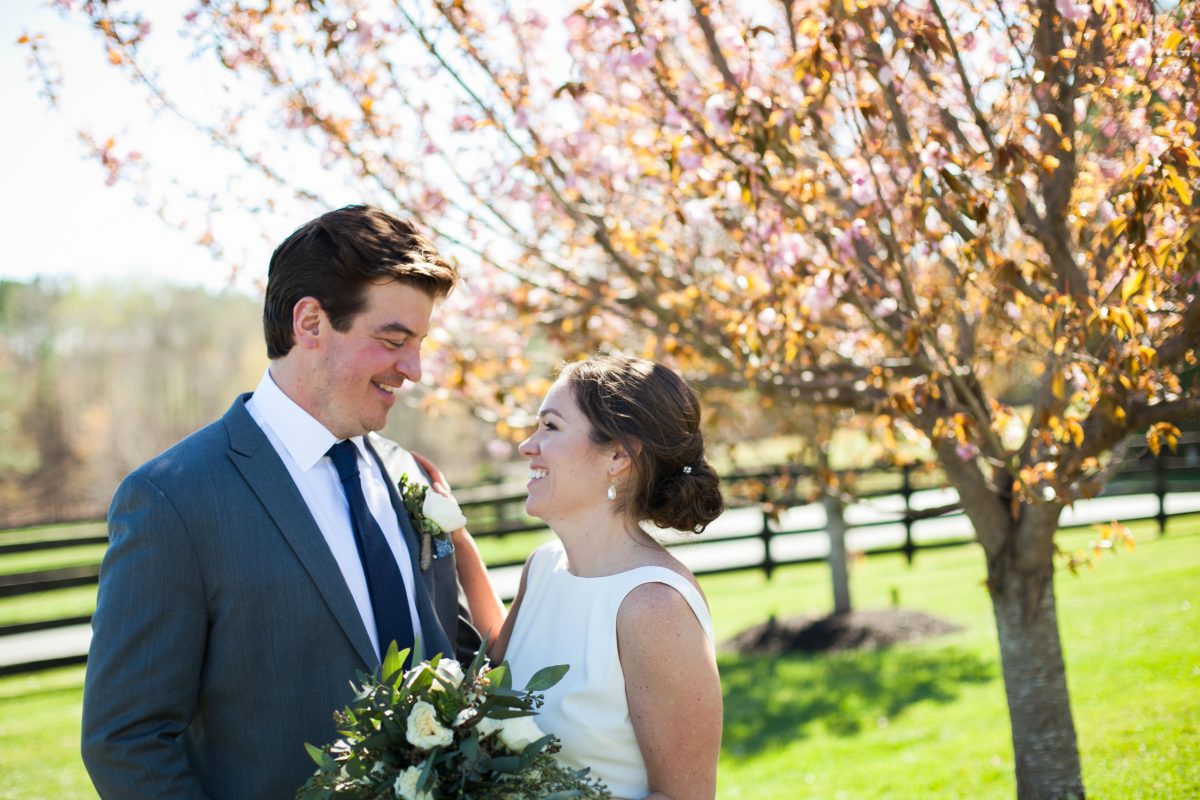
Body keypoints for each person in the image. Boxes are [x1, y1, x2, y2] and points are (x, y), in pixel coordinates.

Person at [81, 205, 485, 800]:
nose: (415, 369)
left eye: (420, 343)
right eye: (394, 340)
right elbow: (126, 738)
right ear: (311, 323)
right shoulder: (173, 499)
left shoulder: (412, 475)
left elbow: (455, 655)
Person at [458, 354, 726, 799]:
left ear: (619, 454)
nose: (528, 446)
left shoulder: (653, 606)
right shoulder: (543, 566)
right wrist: (455, 536)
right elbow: (498, 671)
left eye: (551, 427)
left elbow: (685, 794)